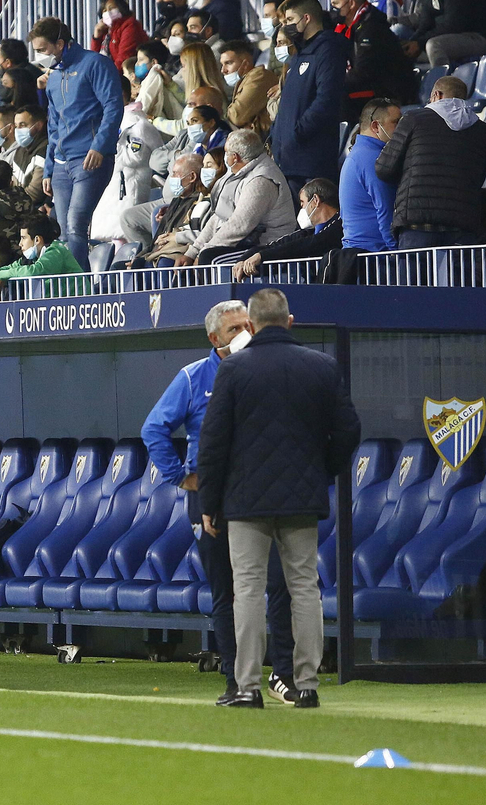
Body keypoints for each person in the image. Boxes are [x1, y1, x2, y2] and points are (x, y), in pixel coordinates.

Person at [197, 288, 361, 708]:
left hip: (245, 499)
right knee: (305, 587)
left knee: (248, 589)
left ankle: (248, 687)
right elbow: (348, 431)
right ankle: (306, 686)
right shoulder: (322, 367)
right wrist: (322, 472)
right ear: (290, 322)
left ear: (250, 326)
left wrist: (209, 503)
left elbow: (213, 445)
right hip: (302, 498)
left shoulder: (232, 370)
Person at [141, 301, 296, 702]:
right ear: (214, 339)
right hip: (214, 499)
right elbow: (154, 429)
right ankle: (237, 679)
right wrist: (183, 478)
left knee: (279, 584)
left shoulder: (271, 369)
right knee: (226, 591)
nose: (245, 333)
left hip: (265, 493)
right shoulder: (194, 378)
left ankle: (283, 674)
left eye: (248, 325)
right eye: (234, 330)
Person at [29, 16, 123, 271]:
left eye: (42, 50)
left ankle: (80, 289)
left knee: (76, 223)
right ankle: (70, 285)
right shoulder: (54, 77)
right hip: (61, 163)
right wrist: (49, 168)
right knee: (62, 229)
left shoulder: (95, 64)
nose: (39, 56)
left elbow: (113, 107)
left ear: (60, 43)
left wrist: (100, 146)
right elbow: (53, 125)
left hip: (89, 158)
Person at [374, 77, 486, 249]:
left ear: (436, 95)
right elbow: (480, 175)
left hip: (417, 222)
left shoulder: (414, 118)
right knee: (458, 276)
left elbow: (384, 169)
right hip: (462, 224)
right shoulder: (483, 130)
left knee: (414, 276)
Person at [268, 0, 348, 201]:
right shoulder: (299, 55)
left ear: (307, 18)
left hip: (311, 161)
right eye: (284, 22)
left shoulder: (328, 49)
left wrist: (297, 133)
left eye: (290, 21)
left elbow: (326, 99)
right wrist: (278, 134)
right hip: (288, 161)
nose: (286, 27)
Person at [182, 128, 298, 266]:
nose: (224, 157)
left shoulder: (261, 180)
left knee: (210, 259)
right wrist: (193, 251)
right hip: (248, 241)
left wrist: (203, 252)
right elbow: (219, 217)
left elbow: (239, 225)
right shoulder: (238, 172)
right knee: (198, 258)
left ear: (235, 157)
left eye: (226, 152)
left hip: (269, 247)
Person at [331, 0, 415, 120]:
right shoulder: (351, 26)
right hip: (373, 85)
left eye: (335, 4)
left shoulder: (371, 29)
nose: (332, 9)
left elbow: (363, 72)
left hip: (387, 91)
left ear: (351, 4)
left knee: (336, 94)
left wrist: (332, 82)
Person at [231, 178, 345, 280]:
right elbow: (276, 245)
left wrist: (262, 256)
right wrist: (244, 260)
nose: (302, 209)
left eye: (302, 204)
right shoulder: (308, 232)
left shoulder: (341, 225)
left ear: (315, 200)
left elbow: (309, 244)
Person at [339, 98, 400, 253]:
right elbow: (385, 209)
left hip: (364, 253)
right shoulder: (372, 158)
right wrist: (396, 251)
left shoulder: (358, 154)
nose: (401, 129)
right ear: (375, 126)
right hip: (376, 256)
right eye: (396, 123)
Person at [0, 215, 83, 299]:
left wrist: (2, 274)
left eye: (23, 238)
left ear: (37, 240)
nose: (20, 244)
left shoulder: (56, 251)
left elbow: (34, 272)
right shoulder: (31, 258)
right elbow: (8, 268)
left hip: (77, 306)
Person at [91, 0, 145, 68]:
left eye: (112, 8)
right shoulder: (105, 31)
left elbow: (124, 58)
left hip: (124, 74)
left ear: (121, 9)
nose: (108, 13)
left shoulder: (130, 25)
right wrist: (96, 37)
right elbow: (94, 59)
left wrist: (108, 76)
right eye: (104, 10)